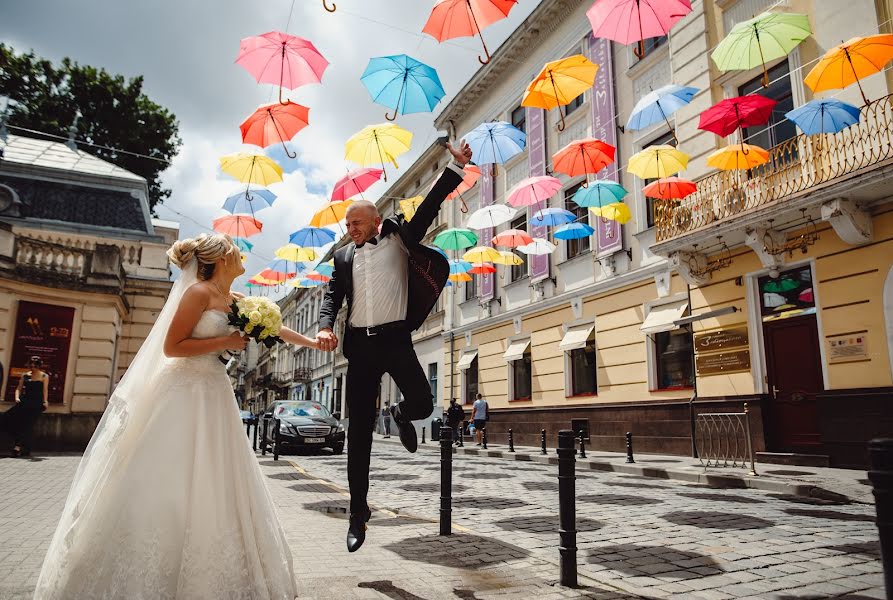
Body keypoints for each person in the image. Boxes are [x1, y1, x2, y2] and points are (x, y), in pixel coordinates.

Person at [34, 233, 320, 599]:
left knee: (218, 474)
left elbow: (273, 328)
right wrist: (224, 343)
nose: (241, 255)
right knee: (172, 472)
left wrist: (313, 342)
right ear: (219, 258)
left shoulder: (236, 300)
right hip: (184, 391)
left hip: (214, 393)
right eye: (235, 250)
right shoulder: (198, 293)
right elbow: (173, 346)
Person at [317, 140, 472, 552]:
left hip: (395, 339)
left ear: (375, 222)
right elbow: (333, 295)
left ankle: (401, 412)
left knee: (423, 403)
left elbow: (428, 207)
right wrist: (324, 325)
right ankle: (357, 512)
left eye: (356, 224)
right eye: (347, 225)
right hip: (361, 348)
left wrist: (454, 168)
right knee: (359, 437)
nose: (349, 230)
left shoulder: (400, 240)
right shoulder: (343, 257)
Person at [0, 355, 49, 457]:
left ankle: (18, 448)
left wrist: (45, 401)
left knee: (27, 426)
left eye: (35, 365)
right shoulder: (25, 375)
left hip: (36, 404)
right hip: (24, 402)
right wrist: (17, 397)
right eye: (31, 364)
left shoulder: (44, 376)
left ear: (39, 365)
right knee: (6, 419)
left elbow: (45, 390)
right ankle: (22, 448)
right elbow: (18, 388)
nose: (32, 366)